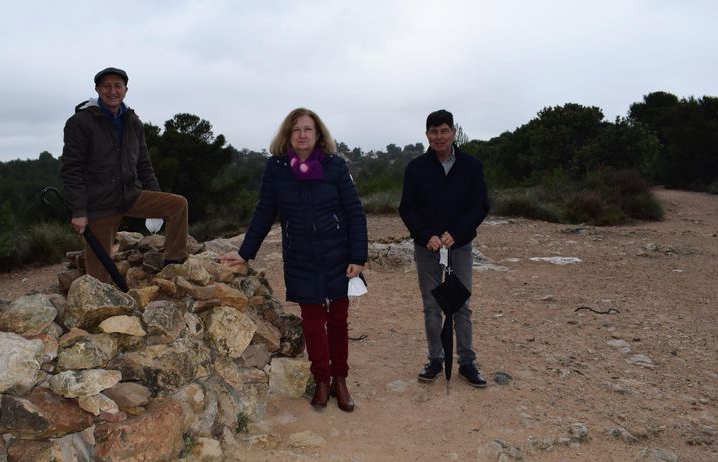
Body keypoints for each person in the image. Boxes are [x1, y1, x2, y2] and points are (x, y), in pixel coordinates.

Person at [220, 108, 368, 412]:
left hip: (338, 255)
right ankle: (322, 380)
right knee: (313, 323)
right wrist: (245, 252)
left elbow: (355, 213)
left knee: (337, 320)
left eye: (308, 129)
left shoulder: (335, 166)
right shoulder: (276, 169)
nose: (302, 134)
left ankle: (340, 380)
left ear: (318, 135)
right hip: (300, 257)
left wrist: (358, 256)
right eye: (296, 130)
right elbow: (264, 212)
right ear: (287, 136)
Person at [61, 67, 189, 283]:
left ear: (125, 90)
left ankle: (174, 264)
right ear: (98, 89)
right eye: (107, 86)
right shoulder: (80, 122)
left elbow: (144, 164)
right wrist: (79, 210)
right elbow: (72, 169)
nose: (113, 91)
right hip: (99, 203)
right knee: (99, 275)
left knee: (178, 205)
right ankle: (99, 307)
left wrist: (156, 199)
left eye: (117, 86)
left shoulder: (133, 121)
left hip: (131, 194)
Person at [399, 109, 490, 387]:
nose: (439, 136)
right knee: (431, 306)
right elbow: (407, 208)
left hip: (459, 246)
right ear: (427, 134)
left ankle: (467, 361)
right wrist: (426, 235)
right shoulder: (416, 168)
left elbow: (480, 205)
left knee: (461, 304)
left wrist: (457, 233)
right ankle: (435, 359)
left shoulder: (471, 166)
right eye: (433, 131)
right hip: (427, 247)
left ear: (453, 132)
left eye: (444, 130)